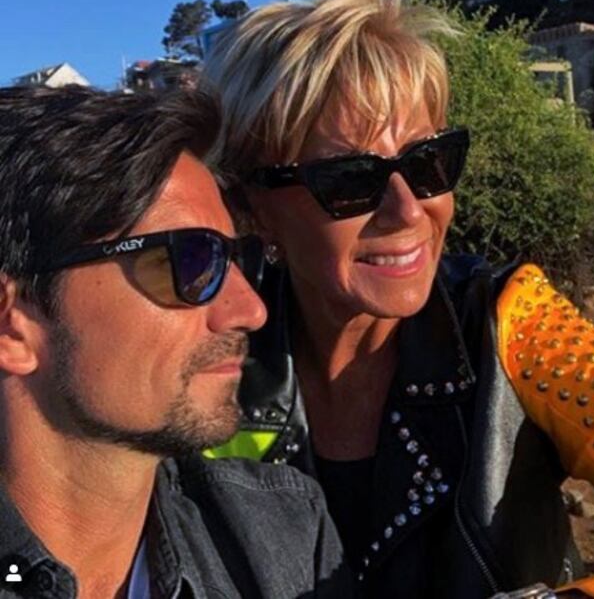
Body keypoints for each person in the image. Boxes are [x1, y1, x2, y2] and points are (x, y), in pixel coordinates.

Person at [205, 0, 594, 598]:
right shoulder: (204, 357)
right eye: (350, 179)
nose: (409, 211)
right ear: (252, 208)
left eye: (429, 162)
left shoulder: (516, 325)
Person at [0, 86, 351, 599]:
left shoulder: (286, 538)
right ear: (12, 324)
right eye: (189, 261)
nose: (251, 310)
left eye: (236, 258)